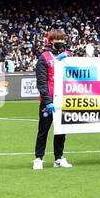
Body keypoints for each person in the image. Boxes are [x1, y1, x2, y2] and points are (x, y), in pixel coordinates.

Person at [33, 28, 72, 170]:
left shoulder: (68, 56)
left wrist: (67, 58)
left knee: (61, 130)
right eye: (57, 39)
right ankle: (38, 158)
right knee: (44, 130)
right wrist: (47, 101)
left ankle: (59, 158)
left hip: (64, 98)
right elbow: (41, 82)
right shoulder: (44, 57)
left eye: (62, 39)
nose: (60, 42)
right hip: (48, 100)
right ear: (51, 41)